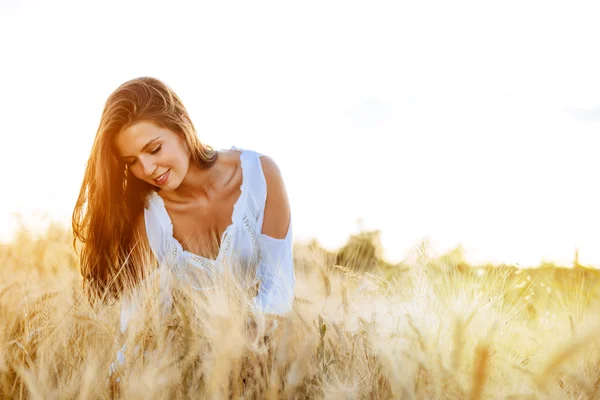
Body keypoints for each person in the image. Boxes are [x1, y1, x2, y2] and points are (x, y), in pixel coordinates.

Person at [71, 77, 295, 376]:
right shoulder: (148, 218)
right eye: (132, 161)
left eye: (154, 149)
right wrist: (108, 385)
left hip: (269, 364)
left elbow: (278, 288)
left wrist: (240, 355)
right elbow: (141, 327)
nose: (147, 169)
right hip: (194, 373)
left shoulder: (261, 175)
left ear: (181, 127)